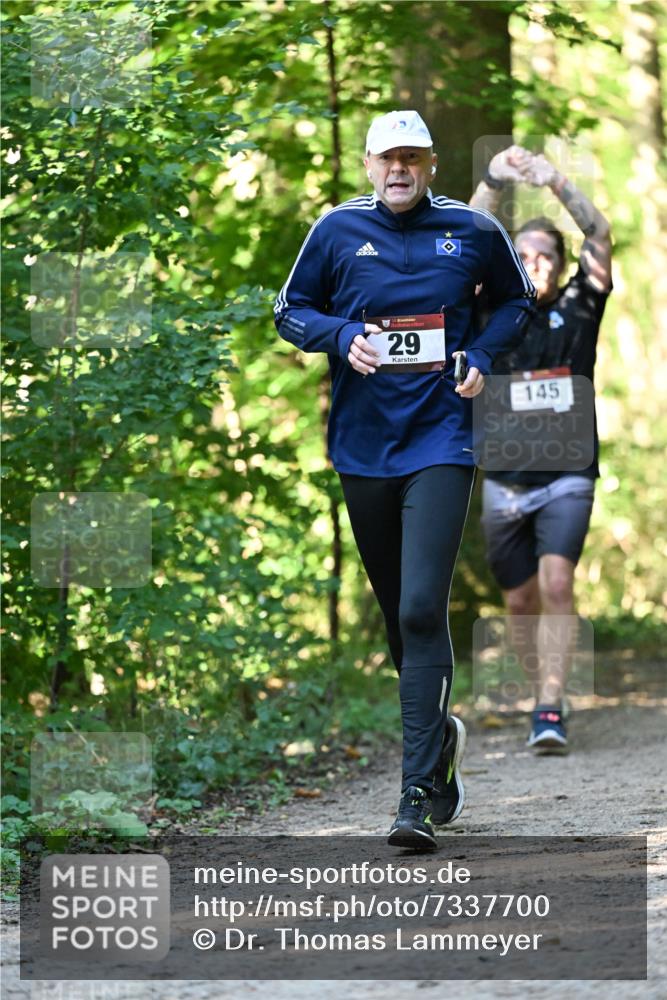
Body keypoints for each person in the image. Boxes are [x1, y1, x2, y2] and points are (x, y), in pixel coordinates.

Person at [275, 112, 535, 848]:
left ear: (430, 163)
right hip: (362, 448)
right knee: (398, 619)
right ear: (366, 164)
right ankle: (439, 744)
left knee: (424, 608)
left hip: (441, 440)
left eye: (412, 157)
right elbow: (289, 310)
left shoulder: (472, 232)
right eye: (386, 158)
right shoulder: (333, 230)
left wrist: (480, 354)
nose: (398, 169)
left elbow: (515, 302)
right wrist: (339, 336)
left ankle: (415, 795)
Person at [470, 145, 612, 752]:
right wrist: (494, 179)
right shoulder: (491, 309)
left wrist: (554, 180)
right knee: (521, 601)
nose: (538, 264)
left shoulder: (582, 304)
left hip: (569, 473)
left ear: (559, 262)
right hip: (504, 479)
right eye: (525, 255)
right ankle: (538, 693)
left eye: (547, 255)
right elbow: (469, 232)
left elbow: (600, 231)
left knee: (556, 585)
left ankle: (550, 706)